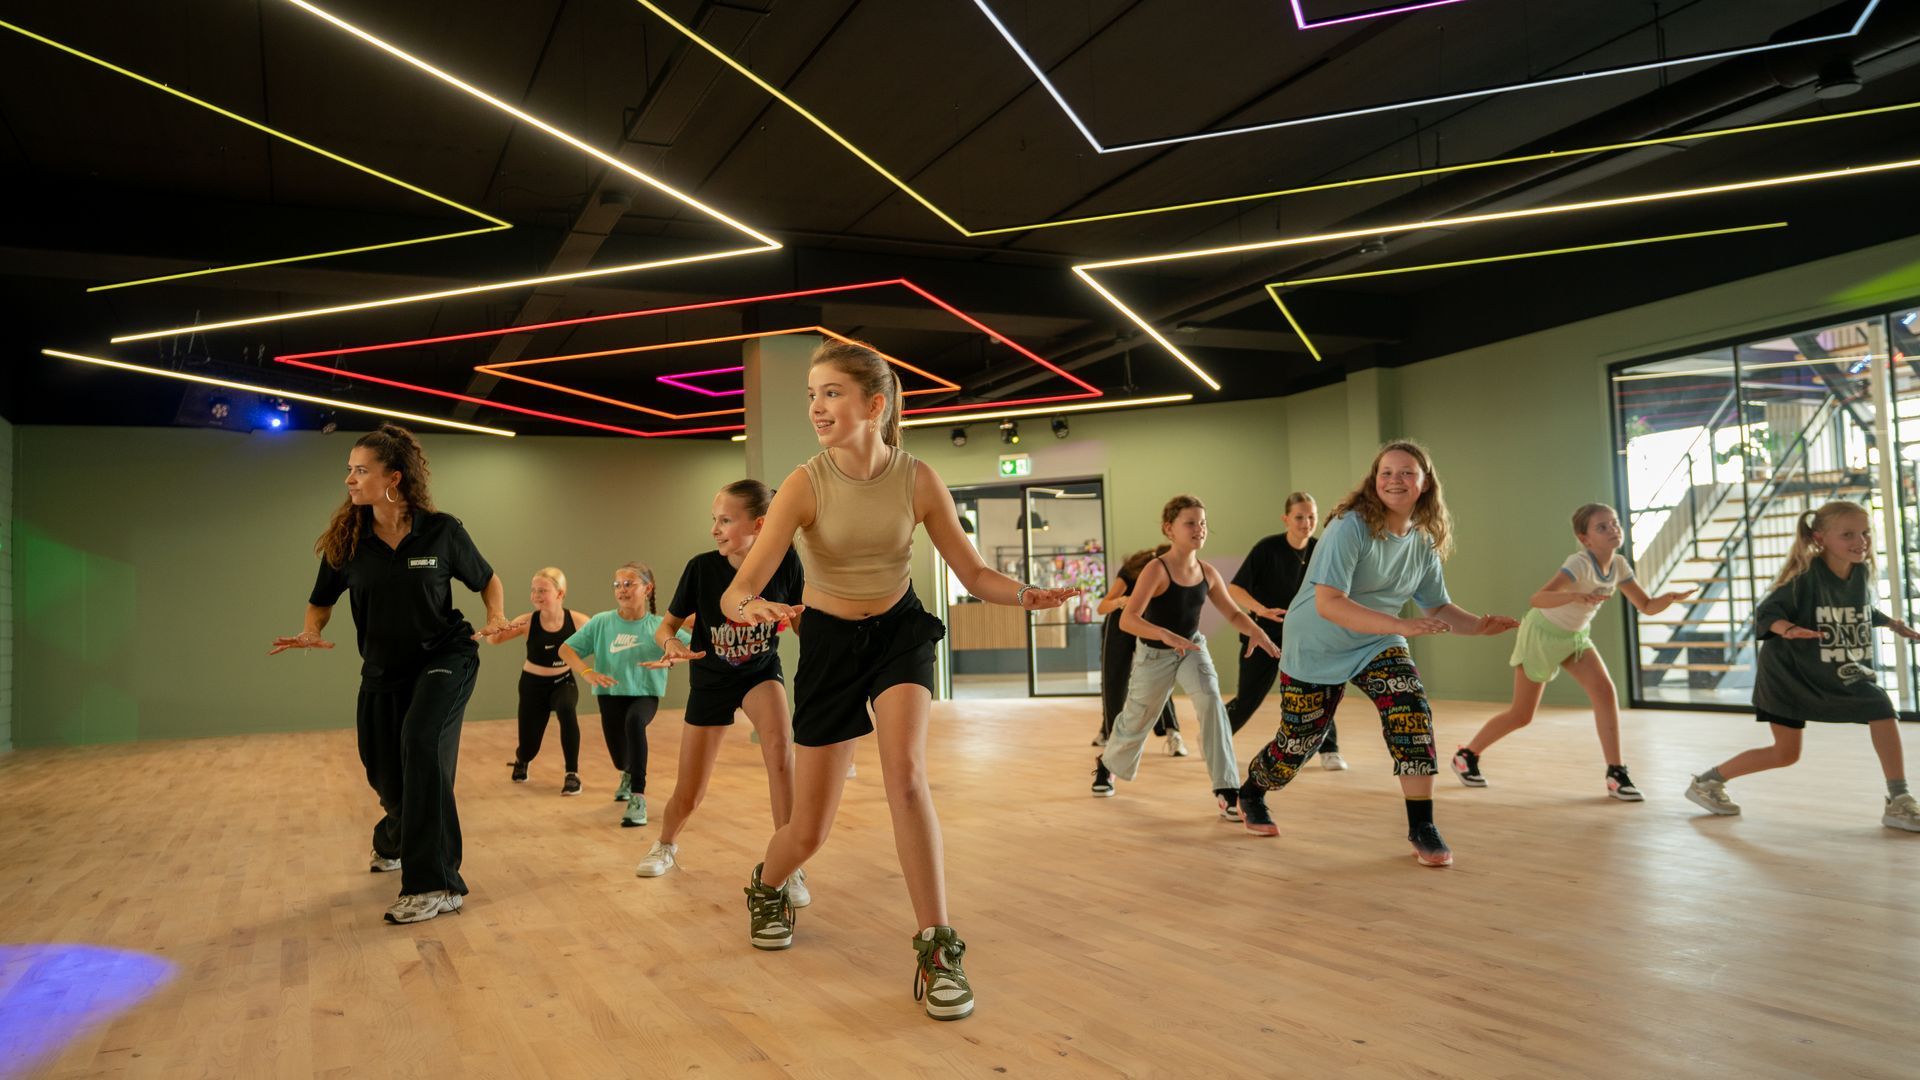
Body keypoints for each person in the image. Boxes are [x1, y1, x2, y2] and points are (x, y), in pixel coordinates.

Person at [720, 338, 1075, 1021]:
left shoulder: (917, 479)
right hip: (827, 644)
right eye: (812, 395)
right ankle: (768, 884)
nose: (817, 407)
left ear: (874, 405)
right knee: (809, 830)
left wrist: (1024, 594)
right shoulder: (804, 483)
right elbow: (739, 590)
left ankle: (937, 947)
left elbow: (971, 574)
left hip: (899, 633)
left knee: (906, 776)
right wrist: (752, 606)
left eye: (832, 393)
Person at [1236, 441, 1519, 867]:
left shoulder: (1422, 540)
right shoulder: (1349, 526)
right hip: (1317, 640)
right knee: (1298, 744)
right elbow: (1329, 602)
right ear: (1374, 479)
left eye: (1407, 472)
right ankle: (1251, 792)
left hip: (1377, 640)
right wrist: (1402, 625)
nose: (1395, 480)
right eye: (1386, 472)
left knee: (1411, 712)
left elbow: (1437, 607)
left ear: (1424, 484)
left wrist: (1478, 625)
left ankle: (1421, 824)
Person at [270, 424, 508, 924]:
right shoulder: (349, 541)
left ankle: (436, 884)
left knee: (422, 744)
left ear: (392, 478)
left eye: (360, 470)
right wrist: (311, 631)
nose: (350, 479)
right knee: (386, 776)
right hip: (382, 671)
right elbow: (319, 603)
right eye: (349, 470)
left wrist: (495, 619)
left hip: (447, 656)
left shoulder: (441, 531)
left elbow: (487, 581)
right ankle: (392, 836)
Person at [1684, 500, 1920, 831]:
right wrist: (1790, 630)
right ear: (1821, 538)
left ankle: (1899, 800)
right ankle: (1707, 782)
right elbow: (1766, 614)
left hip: (1833, 668)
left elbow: (1859, 608)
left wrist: (1892, 623)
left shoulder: (1860, 572)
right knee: (1785, 754)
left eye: (1865, 532)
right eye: (1848, 534)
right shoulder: (1806, 577)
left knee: (1880, 705)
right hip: (1788, 674)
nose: (1861, 541)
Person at [635, 480, 808, 898]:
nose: (715, 528)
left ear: (760, 524)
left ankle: (789, 867)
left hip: (760, 672)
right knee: (690, 792)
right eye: (714, 519)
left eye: (726, 520)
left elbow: (802, 623)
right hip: (710, 680)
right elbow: (666, 627)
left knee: (781, 754)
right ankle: (666, 843)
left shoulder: (786, 563)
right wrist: (673, 644)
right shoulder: (701, 568)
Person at [1450, 504, 1692, 800]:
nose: (1613, 529)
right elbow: (1538, 598)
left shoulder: (1619, 566)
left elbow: (1646, 606)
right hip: (1540, 635)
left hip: (1575, 638)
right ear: (1585, 538)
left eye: (1615, 523)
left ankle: (1616, 773)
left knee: (1605, 692)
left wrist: (1667, 598)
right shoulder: (1579, 563)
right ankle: (1467, 755)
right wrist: (1574, 595)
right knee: (1522, 715)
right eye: (1602, 527)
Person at [1091, 495, 1279, 820]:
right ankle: (1107, 765)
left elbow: (1233, 614)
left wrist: (1256, 631)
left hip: (1191, 648)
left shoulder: (1207, 572)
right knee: (1138, 718)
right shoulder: (1156, 569)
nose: (1199, 529)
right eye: (1190, 523)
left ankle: (1226, 788)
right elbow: (1128, 619)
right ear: (1170, 529)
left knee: (1211, 704)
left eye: (1202, 523)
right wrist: (1163, 634)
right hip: (1155, 654)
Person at [556, 563, 688, 828]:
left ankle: (638, 796)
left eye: (629, 584)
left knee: (634, 722)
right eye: (617, 585)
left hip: (644, 694)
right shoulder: (601, 622)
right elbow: (565, 650)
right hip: (609, 695)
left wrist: (670, 660)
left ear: (647, 589)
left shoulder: (658, 626)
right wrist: (586, 672)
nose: (622, 590)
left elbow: (691, 647)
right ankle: (626, 774)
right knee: (620, 757)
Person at [1225, 493, 1344, 768]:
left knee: (1319, 690)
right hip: (1264, 635)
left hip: (1306, 636)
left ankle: (1330, 749)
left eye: (1312, 516)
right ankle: (1216, 737)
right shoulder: (1267, 549)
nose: (1306, 522)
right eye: (1300, 517)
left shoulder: (1320, 549)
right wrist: (1260, 609)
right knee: (1248, 699)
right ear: (1286, 518)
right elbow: (1235, 589)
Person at [482, 569, 589, 795]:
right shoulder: (527, 622)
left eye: (542, 590)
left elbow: (603, 641)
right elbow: (494, 640)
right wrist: (494, 625)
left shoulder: (578, 621)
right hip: (533, 687)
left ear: (560, 594)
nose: (536, 595)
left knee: (567, 710)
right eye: (533, 590)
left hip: (563, 682)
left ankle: (572, 774)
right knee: (529, 747)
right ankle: (522, 760)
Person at [1093, 544, 1184, 755]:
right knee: (1114, 679)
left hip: (1148, 624)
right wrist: (1121, 601)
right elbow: (1102, 606)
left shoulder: (1178, 574)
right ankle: (1110, 733)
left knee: (1159, 678)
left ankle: (1173, 734)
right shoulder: (1132, 571)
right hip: (1118, 625)